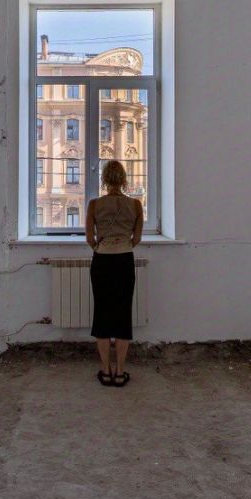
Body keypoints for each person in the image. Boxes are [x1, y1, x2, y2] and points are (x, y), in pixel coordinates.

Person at [85, 160, 144, 387]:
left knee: (102, 313)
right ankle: (120, 372)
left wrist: (102, 247)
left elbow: (90, 238)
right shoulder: (136, 205)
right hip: (124, 260)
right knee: (122, 314)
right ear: (124, 180)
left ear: (104, 179)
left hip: (102, 260)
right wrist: (122, 245)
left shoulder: (94, 205)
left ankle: (106, 370)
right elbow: (136, 239)